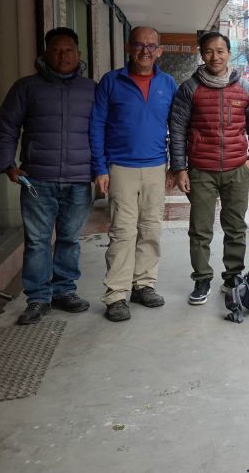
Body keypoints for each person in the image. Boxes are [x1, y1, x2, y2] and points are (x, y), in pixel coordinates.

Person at [0, 28, 96, 325]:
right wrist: (7, 165)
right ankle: (38, 298)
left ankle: (65, 291)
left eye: (69, 50)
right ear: (45, 54)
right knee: (37, 240)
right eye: (57, 50)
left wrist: (102, 169)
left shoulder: (91, 89)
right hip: (37, 178)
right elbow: (7, 126)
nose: (63, 55)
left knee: (69, 238)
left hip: (78, 178)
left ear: (79, 54)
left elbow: (102, 131)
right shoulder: (26, 87)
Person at [169, 32, 249, 305]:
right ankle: (201, 278)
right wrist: (180, 168)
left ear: (229, 53)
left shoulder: (245, 89)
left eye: (220, 51)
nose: (215, 56)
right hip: (201, 170)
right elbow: (177, 129)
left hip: (237, 169)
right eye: (209, 51)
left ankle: (233, 275)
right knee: (200, 229)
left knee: (235, 226)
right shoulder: (189, 88)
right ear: (202, 54)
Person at [90, 26, 178, 322]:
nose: (145, 51)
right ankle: (116, 295)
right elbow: (97, 125)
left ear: (159, 51)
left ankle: (144, 285)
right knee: (123, 232)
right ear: (129, 48)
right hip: (121, 168)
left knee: (151, 229)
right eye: (139, 45)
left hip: (155, 167)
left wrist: (175, 165)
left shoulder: (167, 84)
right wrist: (100, 168)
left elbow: (176, 128)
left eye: (151, 46)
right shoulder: (111, 82)